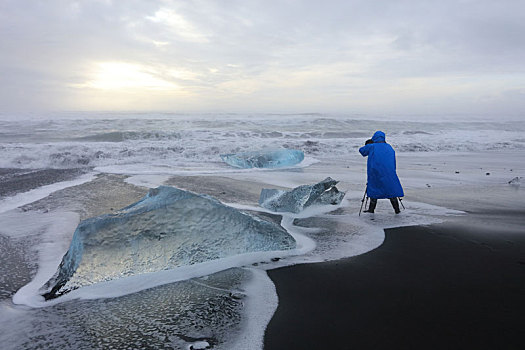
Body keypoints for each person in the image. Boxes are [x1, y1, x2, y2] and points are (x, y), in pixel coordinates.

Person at [359, 131, 404, 214]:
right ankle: (397, 210)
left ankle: (371, 210)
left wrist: (369, 144)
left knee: (374, 190)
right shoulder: (389, 147)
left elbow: (361, 151)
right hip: (389, 172)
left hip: (375, 172)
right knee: (391, 191)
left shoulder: (372, 146)